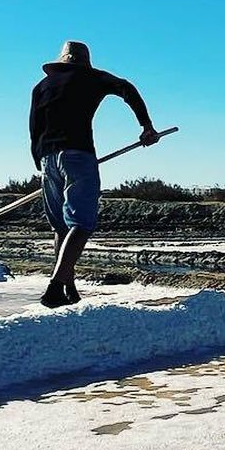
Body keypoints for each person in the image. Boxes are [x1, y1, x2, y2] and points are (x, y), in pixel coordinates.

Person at [29, 40, 160, 307]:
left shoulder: (41, 86)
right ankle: (55, 287)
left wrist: (39, 159)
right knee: (82, 223)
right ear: (83, 61)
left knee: (61, 226)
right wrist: (147, 126)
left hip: (47, 157)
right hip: (78, 154)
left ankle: (69, 287)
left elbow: (34, 126)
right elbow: (127, 89)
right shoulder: (91, 77)